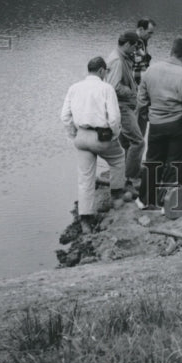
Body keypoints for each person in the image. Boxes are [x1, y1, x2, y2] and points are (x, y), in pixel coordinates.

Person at [60, 56, 127, 233]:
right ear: (101, 71)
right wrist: (115, 134)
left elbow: (65, 116)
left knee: (85, 178)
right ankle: (117, 197)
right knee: (118, 158)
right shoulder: (106, 88)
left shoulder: (74, 88)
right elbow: (114, 118)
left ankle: (85, 220)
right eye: (105, 72)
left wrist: (73, 135)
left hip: (81, 136)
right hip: (101, 137)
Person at [136, 37, 182, 209]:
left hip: (156, 124)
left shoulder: (151, 70)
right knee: (176, 164)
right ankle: (169, 204)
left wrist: (148, 116)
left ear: (171, 51)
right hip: (179, 125)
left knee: (152, 161)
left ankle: (144, 201)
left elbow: (141, 100)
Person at [105, 30, 146, 191]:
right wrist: (133, 92)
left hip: (122, 106)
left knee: (126, 143)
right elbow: (113, 86)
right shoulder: (117, 60)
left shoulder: (120, 57)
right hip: (122, 106)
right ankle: (130, 178)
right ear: (127, 44)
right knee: (138, 141)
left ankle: (124, 174)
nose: (135, 51)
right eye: (134, 47)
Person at [133, 17, 157, 138]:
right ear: (141, 29)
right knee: (139, 119)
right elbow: (138, 67)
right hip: (137, 87)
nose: (151, 36)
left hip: (139, 85)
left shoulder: (141, 42)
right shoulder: (136, 42)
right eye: (149, 33)